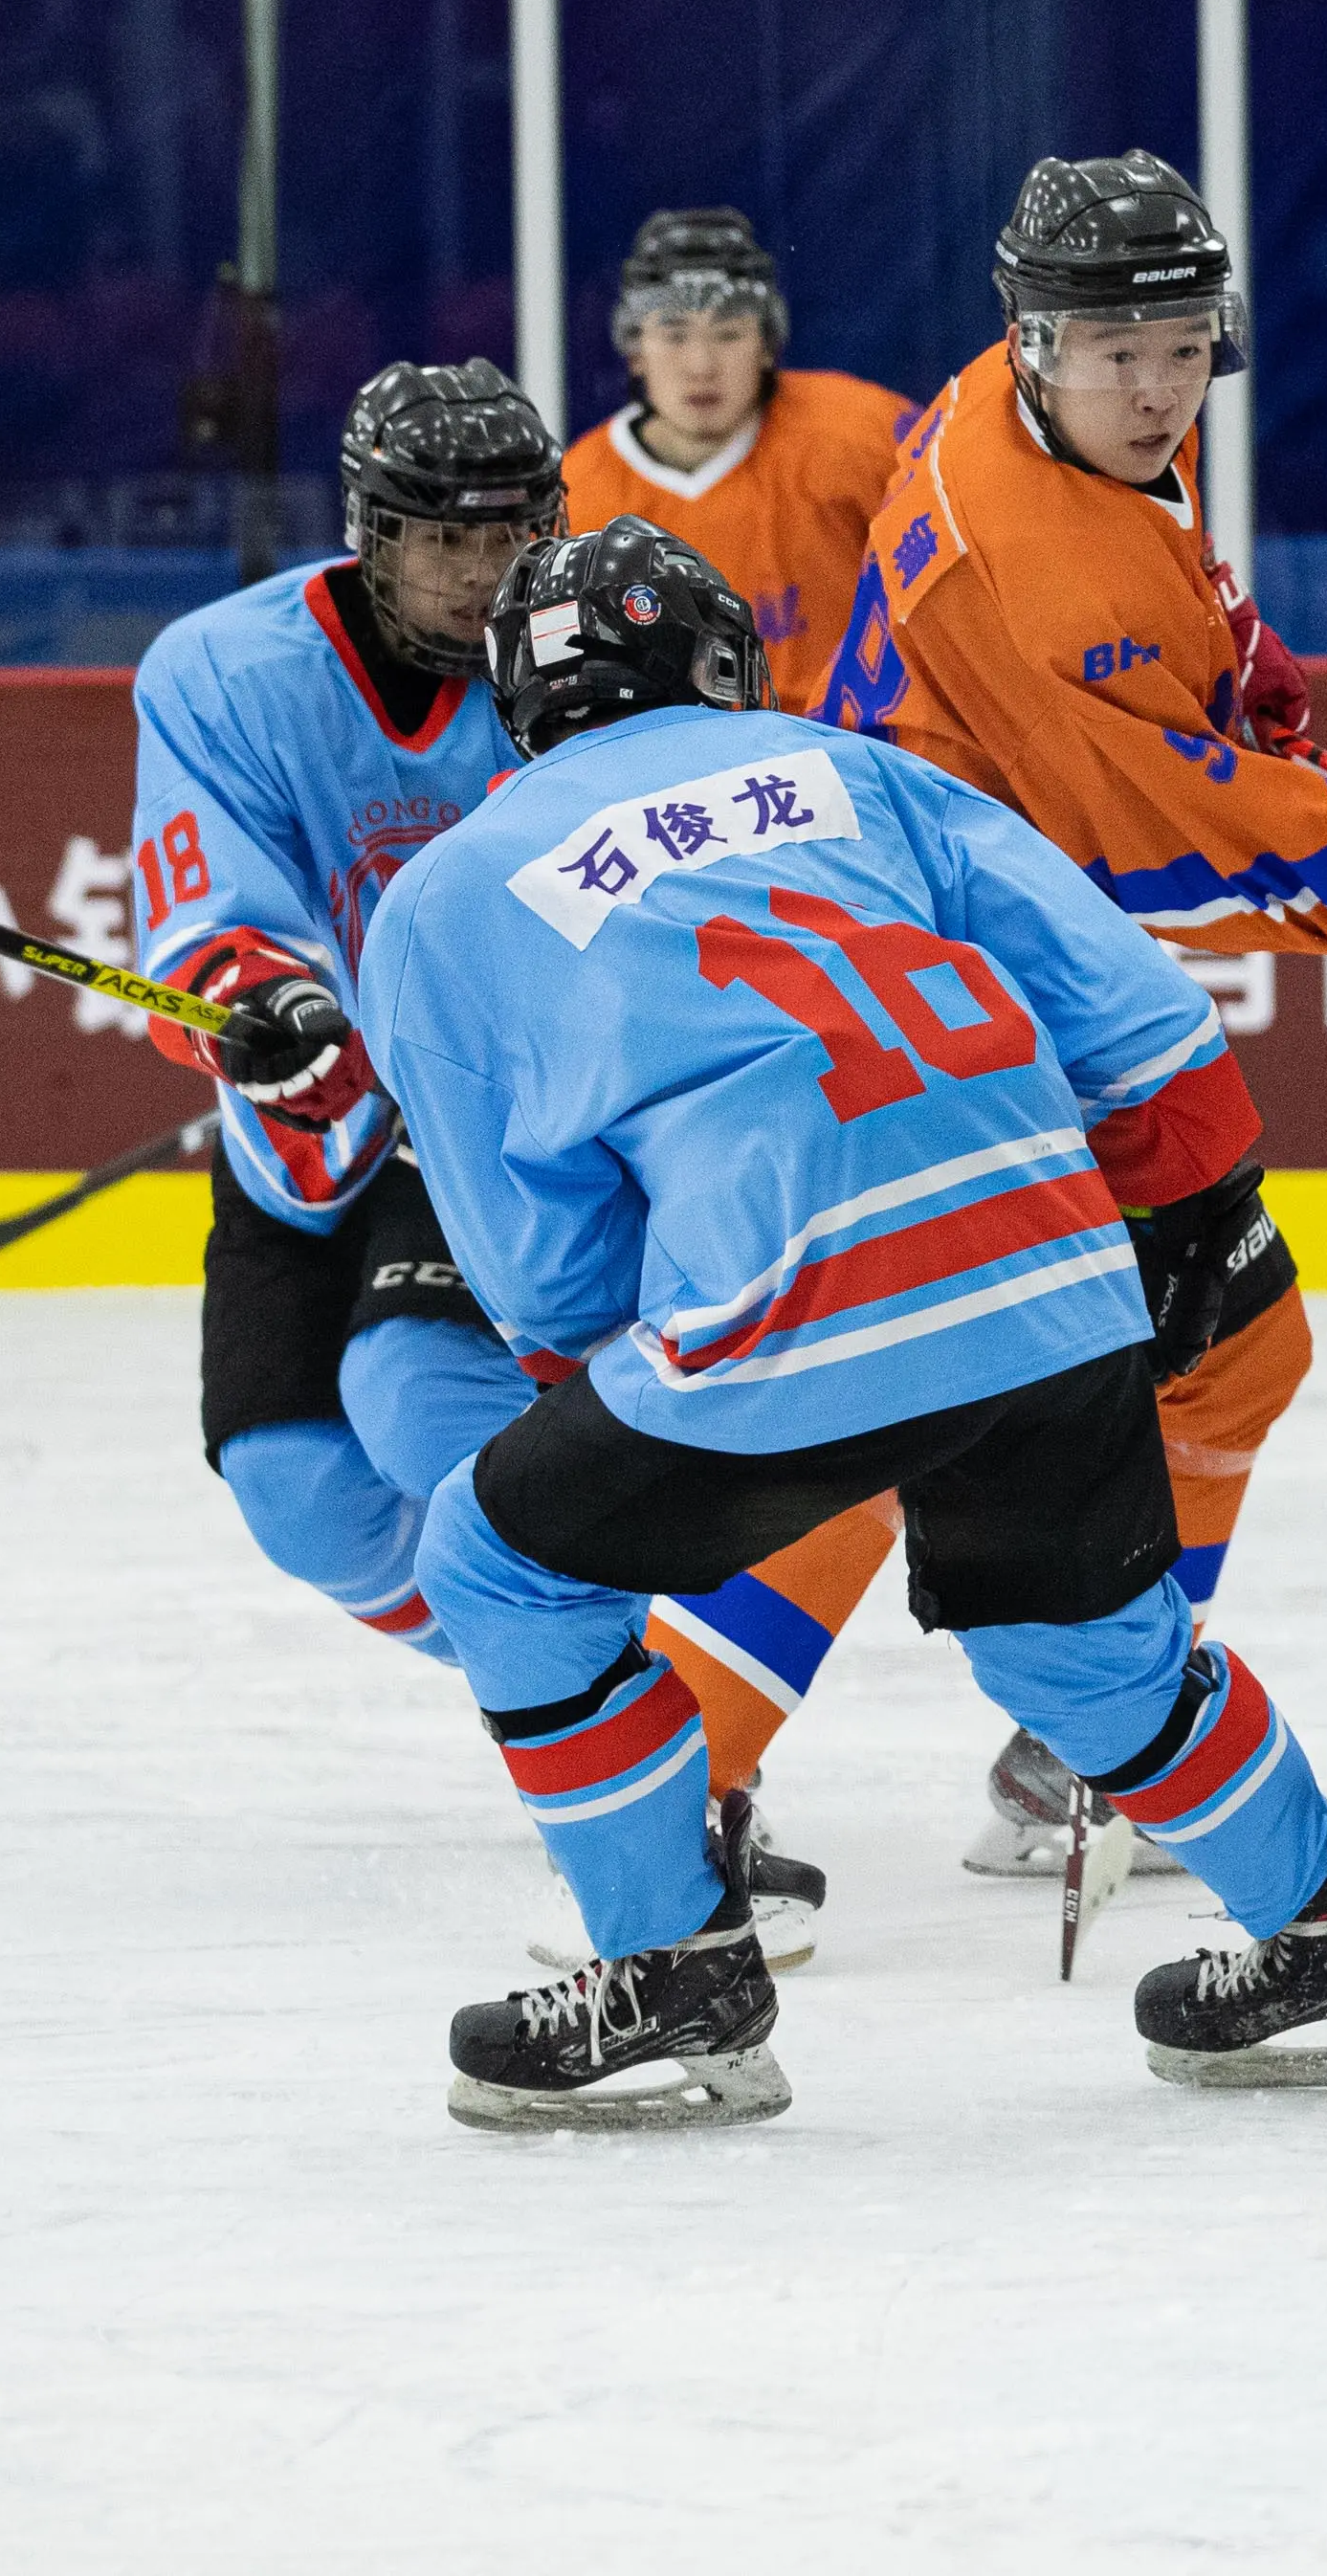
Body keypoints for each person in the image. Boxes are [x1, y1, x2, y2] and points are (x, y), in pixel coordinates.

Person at [353, 518, 1327, 2128]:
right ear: (722, 662)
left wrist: (631, 1384)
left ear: (518, 705)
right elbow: (1141, 1017)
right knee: (1077, 1643)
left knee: (498, 1554)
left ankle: (672, 1971)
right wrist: (1189, 1231)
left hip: (793, 1307)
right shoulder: (855, 773)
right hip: (1051, 1260)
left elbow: (540, 1267)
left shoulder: (452, 893)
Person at [819, 147, 1327, 1878]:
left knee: (1205, 1347)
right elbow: (1156, 846)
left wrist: (1213, 648)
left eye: (1183, 341)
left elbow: (1149, 691)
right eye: (1119, 348)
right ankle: (992, 1748)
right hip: (958, 992)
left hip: (962, 955)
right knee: (917, 1405)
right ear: (1034, 336)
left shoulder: (1017, 400)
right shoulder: (1040, 562)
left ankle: (1081, 1735)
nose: (1158, 382)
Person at [127, 357, 828, 1964]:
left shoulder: (614, 658)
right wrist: (263, 1009)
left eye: (509, 529)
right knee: (299, 1489)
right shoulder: (223, 671)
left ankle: (655, 1773)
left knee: (419, 1403)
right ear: (367, 531)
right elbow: (208, 899)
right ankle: (612, 1691)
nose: (478, 568)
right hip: (323, 1106)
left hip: (522, 1113)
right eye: (439, 534)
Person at [560, 207, 915, 715]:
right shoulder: (580, 490)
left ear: (768, 344)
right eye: (675, 334)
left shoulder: (864, 433)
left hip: (848, 759)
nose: (702, 365)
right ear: (635, 349)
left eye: (728, 334)